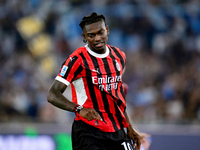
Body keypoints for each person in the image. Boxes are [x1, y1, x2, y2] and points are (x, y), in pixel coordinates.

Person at [47, 12, 141, 150]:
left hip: (117, 130)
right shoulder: (77, 60)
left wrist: (129, 127)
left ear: (107, 30)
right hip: (89, 131)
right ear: (84, 37)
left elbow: (117, 95)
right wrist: (79, 109)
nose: (97, 38)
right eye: (91, 35)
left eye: (100, 32)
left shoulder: (119, 56)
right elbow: (52, 94)